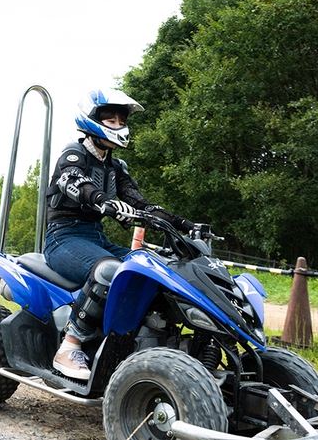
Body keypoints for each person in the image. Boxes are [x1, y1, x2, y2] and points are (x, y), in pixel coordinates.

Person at [43, 88, 201, 380]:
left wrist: (184, 224)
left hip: (96, 238)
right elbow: (76, 184)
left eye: (120, 120)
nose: (118, 125)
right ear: (92, 120)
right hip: (62, 238)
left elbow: (141, 203)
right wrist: (102, 201)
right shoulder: (73, 155)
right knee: (111, 270)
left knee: (153, 269)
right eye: (111, 120)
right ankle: (70, 345)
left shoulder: (117, 167)